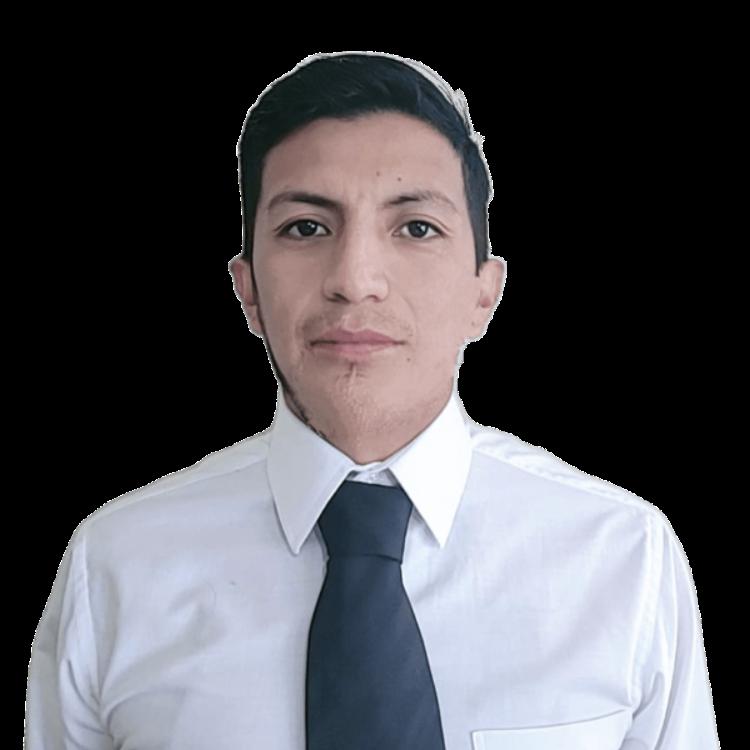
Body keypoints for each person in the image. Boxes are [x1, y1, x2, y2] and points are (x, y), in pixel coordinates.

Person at [24, 51, 719, 749]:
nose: (355, 280)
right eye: (306, 227)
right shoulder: (117, 566)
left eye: (416, 228)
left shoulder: (623, 556)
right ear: (248, 290)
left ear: (485, 291)